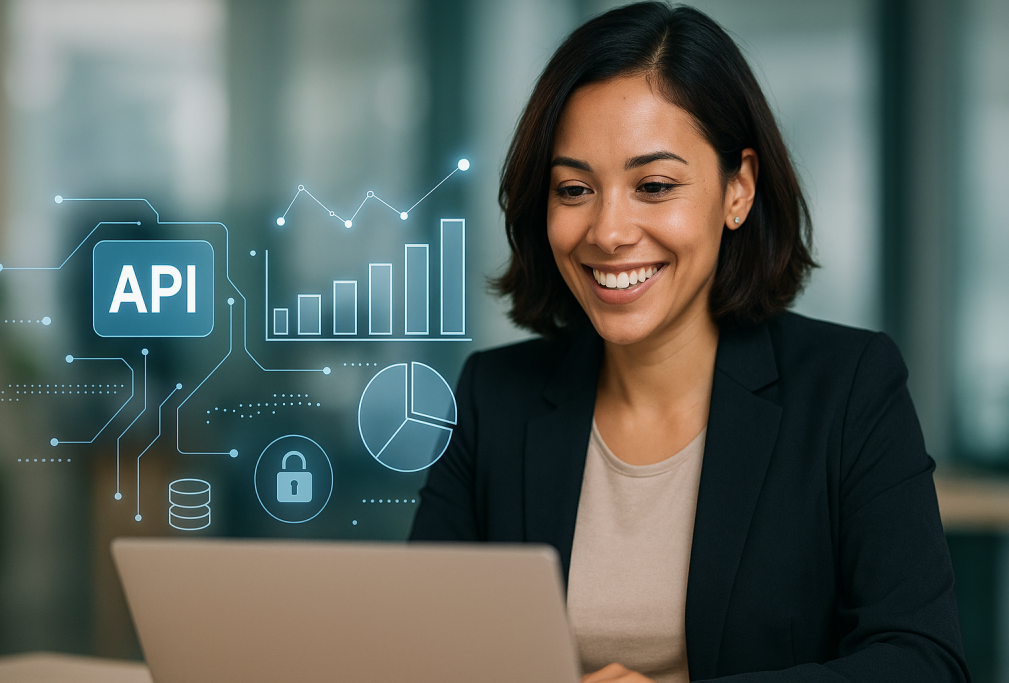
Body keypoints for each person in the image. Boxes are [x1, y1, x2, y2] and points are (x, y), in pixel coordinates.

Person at [409, 3, 970, 682]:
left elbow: (923, 661)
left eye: (653, 186)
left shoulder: (850, 388)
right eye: (575, 188)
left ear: (738, 190)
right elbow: (424, 657)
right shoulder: (490, 398)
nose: (608, 231)